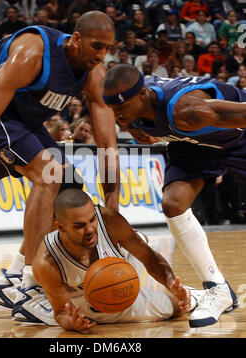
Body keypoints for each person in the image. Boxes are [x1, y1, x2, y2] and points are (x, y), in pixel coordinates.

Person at [0, 11, 120, 322]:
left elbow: (108, 146)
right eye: (97, 46)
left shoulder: (94, 74)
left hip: (18, 114)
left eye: (108, 48)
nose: (101, 55)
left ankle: (11, 278)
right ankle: (31, 287)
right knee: (48, 174)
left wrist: (112, 204)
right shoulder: (32, 54)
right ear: (76, 39)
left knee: (68, 186)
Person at [102, 63, 241, 328]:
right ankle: (217, 288)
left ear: (142, 94)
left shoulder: (189, 110)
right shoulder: (134, 103)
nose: (116, 116)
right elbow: (128, 114)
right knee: (173, 203)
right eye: (113, 109)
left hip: (237, 138)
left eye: (121, 109)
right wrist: (133, 126)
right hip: (195, 145)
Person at [29, 188, 204, 331]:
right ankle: (31, 302)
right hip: (83, 298)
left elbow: (149, 258)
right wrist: (72, 324)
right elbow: (61, 313)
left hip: (114, 272)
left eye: (92, 220)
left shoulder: (110, 220)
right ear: (60, 227)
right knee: (176, 308)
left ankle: (192, 294)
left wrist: (171, 283)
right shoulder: (47, 262)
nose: (90, 229)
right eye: (80, 226)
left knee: (139, 242)